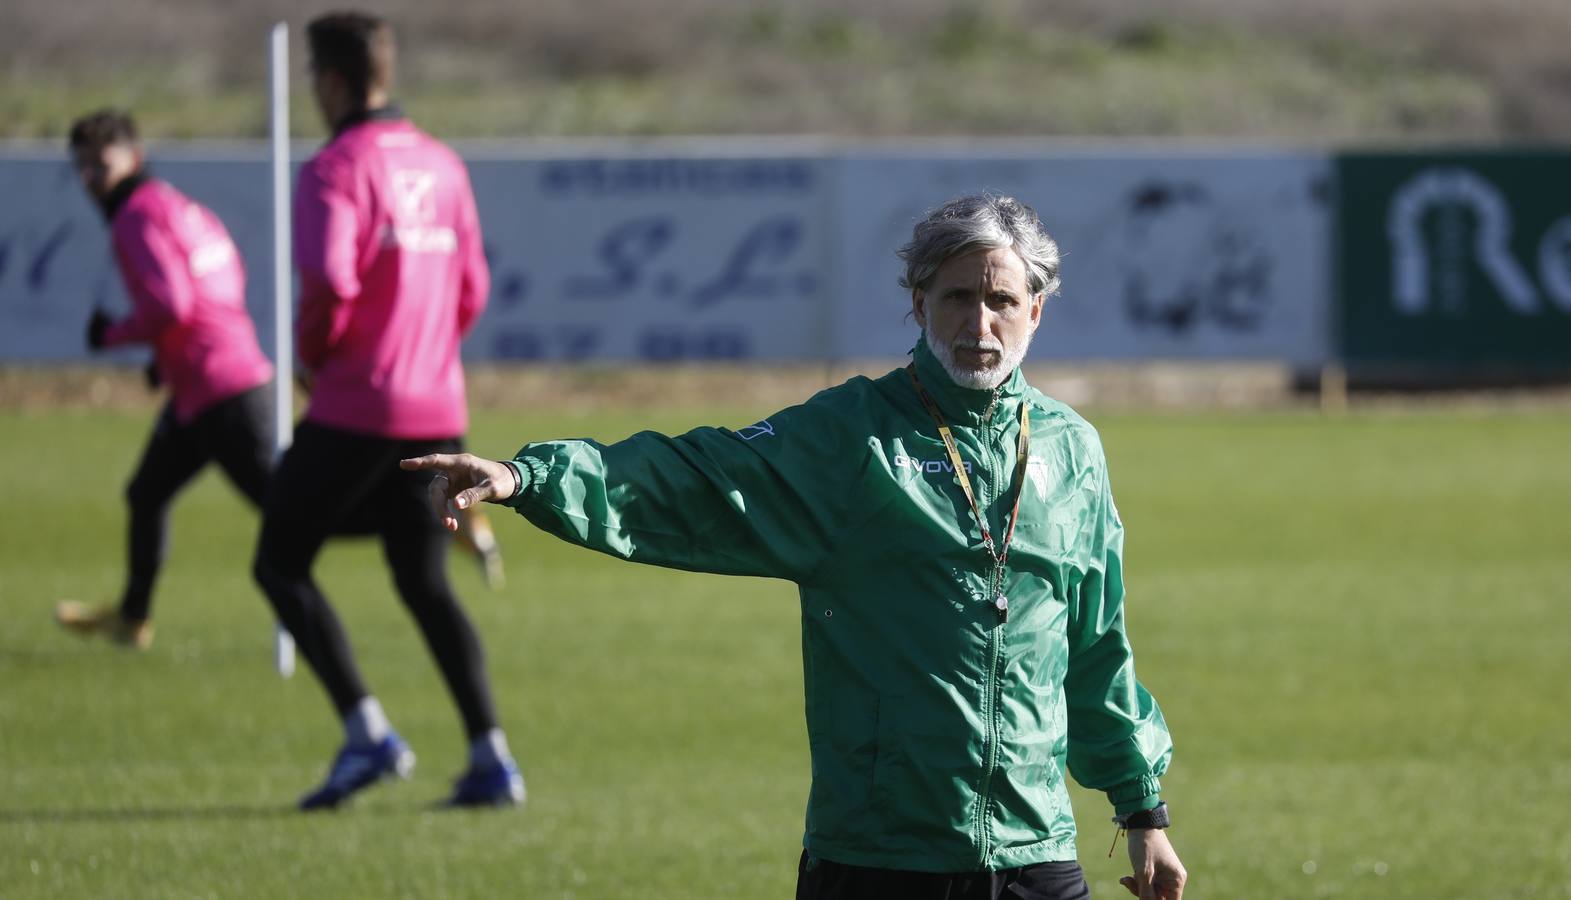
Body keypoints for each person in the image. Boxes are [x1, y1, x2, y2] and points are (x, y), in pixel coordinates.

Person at [406, 194, 1188, 898]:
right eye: (956, 298)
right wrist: (529, 477)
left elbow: (1094, 644)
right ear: (917, 305)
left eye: (1000, 300)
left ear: (1036, 311)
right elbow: (695, 477)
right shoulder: (850, 436)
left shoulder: (1071, 450)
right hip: (879, 857)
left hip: (1033, 856)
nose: (978, 325)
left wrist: (1142, 810)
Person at [251, 11, 522, 810]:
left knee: (278, 559)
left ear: (331, 81)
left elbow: (330, 285)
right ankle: (492, 758)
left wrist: (317, 355)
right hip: (435, 402)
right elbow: (471, 287)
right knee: (420, 578)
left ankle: (367, 733)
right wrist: (429, 351)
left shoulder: (336, 168)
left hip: (357, 403)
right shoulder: (442, 163)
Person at [55, 109, 275, 651]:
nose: (90, 179)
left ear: (134, 157)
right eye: (81, 168)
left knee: (293, 511)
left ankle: (425, 512)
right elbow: (225, 275)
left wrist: (113, 334)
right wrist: (169, 355)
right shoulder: (176, 205)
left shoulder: (135, 213)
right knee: (147, 492)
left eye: (99, 165)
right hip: (211, 384)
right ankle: (133, 619)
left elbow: (171, 303)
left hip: (222, 392)